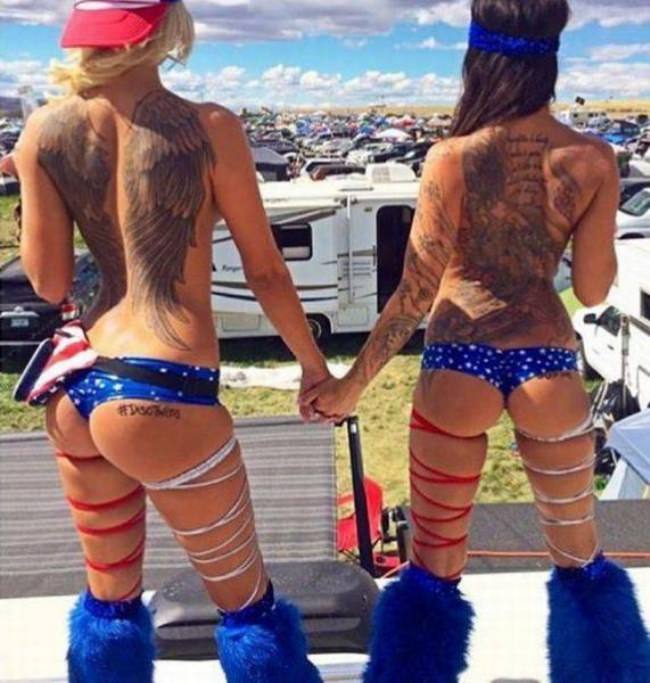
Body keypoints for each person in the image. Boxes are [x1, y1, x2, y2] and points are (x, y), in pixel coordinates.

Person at [303, 1, 650, 681]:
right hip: (546, 360)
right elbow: (593, 288)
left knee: (433, 568)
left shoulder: (450, 157)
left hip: (458, 356)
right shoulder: (593, 159)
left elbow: (414, 293)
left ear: (477, 60)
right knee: (580, 559)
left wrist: (349, 385)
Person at [13, 1, 326, 681]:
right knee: (248, 609)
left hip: (78, 384)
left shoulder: (42, 130)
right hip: (163, 387)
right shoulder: (210, 128)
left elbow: (49, 281)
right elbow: (266, 271)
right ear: (162, 30)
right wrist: (312, 365)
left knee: (109, 606)